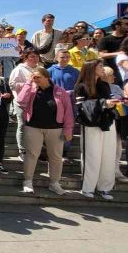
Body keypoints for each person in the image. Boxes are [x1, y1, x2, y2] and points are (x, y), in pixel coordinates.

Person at [17, 67, 74, 195]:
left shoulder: (60, 91)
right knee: (31, 155)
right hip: (33, 127)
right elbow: (20, 101)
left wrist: (68, 129)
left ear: (47, 77)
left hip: (55, 128)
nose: (35, 79)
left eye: (38, 77)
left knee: (56, 157)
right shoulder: (31, 89)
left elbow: (68, 112)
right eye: (34, 77)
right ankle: (27, 182)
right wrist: (28, 82)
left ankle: (54, 183)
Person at [74, 60, 118, 199]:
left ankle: (104, 187)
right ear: (91, 69)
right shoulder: (81, 86)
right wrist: (104, 103)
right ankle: (88, 188)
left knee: (108, 156)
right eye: (100, 66)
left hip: (108, 122)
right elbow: (82, 106)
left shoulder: (104, 85)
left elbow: (109, 102)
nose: (103, 68)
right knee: (92, 156)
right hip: (91, 125)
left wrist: (117, 102)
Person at [101, 66, 128, 183]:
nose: (114, 77)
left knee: (118, 145)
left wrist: (126, 101)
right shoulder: (99, 87)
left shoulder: (117, 87)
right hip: (106, 120)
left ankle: (116, 169)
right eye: (111, 74)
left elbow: (125, 99)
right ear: (105, 76)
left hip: (119, 119)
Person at [9, 48, 40, 159]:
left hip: (37, 101)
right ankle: (22, 149)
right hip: (21, 102)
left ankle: (33, 149)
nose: (35, 59)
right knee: (22, 125)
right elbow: (12, 84)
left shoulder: (40, 69)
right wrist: (28, 83)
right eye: (32, 56)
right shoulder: (19, 69)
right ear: (25, 57)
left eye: (36, 56)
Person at [97, 18, 128, 85]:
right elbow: (102, 55)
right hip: (113, 71)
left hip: (127, 69)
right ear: (117, 26)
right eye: (126, 24)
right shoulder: (105, 39)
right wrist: (119, 53)